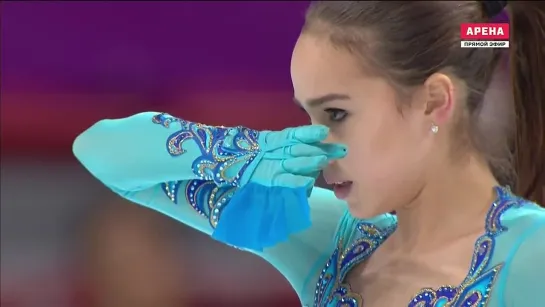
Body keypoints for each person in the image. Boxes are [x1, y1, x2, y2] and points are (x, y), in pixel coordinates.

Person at [73, 1, 545, 306]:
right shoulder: (333, 242)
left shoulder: (532, 254)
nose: (315, 145)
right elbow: (102, 152)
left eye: (336, 114)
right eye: (306, 116)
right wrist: (247, 151)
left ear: (433, 100)